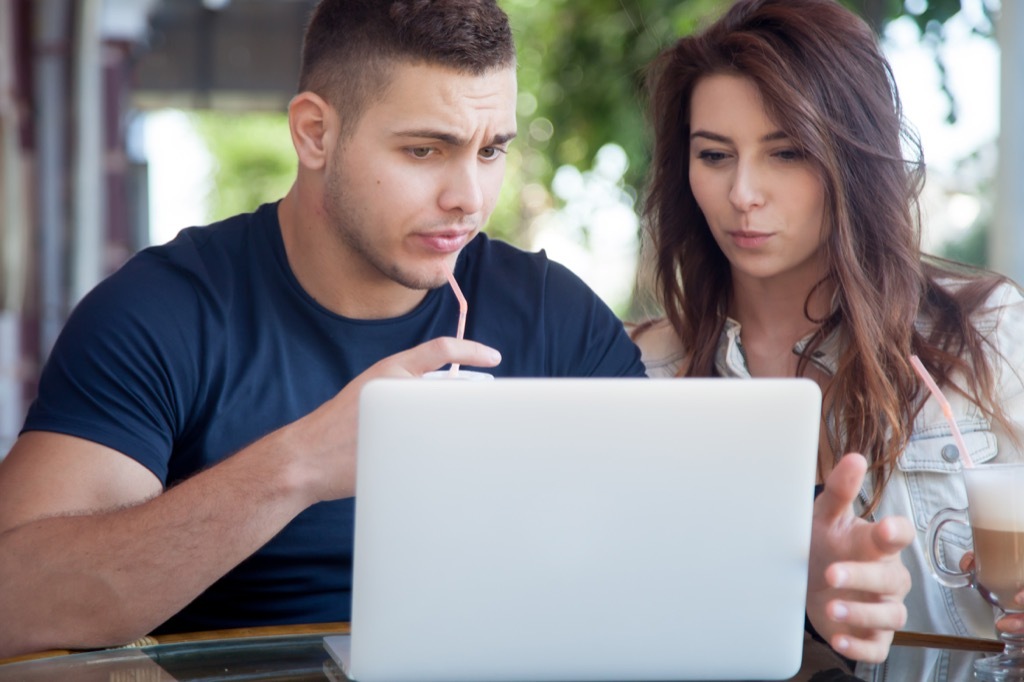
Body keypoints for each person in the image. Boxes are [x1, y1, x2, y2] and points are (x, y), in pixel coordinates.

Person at [0, 0, 906, 664]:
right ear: (315, 133)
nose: (469, 198)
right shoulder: (164, 312)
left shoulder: (549, 315)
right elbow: (20, 603)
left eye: (491, 149)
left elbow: (665, 572)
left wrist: (798, 585)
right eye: (423, 150)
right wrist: (304, 464)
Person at [632, 0, 1024, 680]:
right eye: (714, 155)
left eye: (786, 152)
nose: (743, 193)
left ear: (851, 156)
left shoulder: (987, 334)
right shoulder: (644, 371)